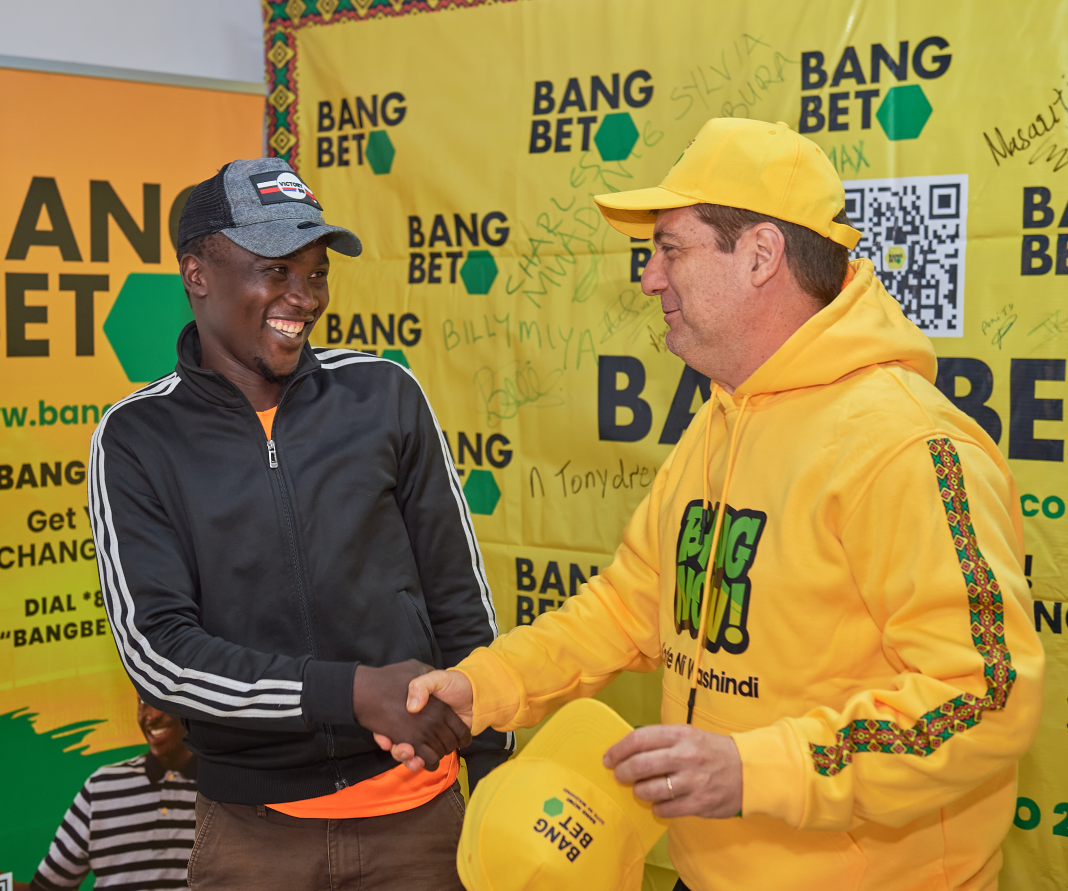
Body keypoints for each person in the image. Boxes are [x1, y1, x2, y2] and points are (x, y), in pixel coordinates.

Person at [391, 119, 1045, 891]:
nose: (649, 278)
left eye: (670, 249)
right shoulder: (721, 419)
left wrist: (754, 770)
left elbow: (983, 696)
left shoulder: (905, 445)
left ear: (761, 255)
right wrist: (487, 686)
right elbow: (630, 606)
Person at [88, 158, 510, 891]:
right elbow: (158, 652)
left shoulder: (384, 393)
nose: (304, 297)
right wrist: (350, 691)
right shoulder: (136, 437)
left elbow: (458, 598)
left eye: (316, 273)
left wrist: (495, 767)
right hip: (253, 835)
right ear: (197, 274)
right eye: (276, 270)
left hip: (421, 818)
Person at [22, 696, 197, 890]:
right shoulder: (100, 786)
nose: (153, 715)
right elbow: (45, 888)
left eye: (165, 701)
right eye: (143, 701)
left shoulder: (220, 792)